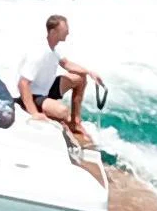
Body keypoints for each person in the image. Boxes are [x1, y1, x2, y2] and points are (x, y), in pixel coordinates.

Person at [18, 13, 98, 154]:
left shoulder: (53, 49)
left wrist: (89, 72)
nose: (68, 32)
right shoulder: (39, 53)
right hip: (34, 96)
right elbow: (23, 84)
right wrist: (34, 113)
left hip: (47, 88)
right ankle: (51, 113)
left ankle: (75, 122)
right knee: (62, 111)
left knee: (79, 78)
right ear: (53, 31)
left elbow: (66, 64)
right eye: (65, 29)